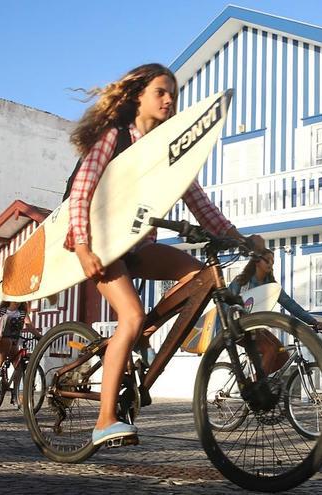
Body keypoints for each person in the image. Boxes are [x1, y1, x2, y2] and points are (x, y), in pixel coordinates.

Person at [65, 63, 263, 446]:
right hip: (101, 243)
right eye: (160, 91)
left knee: (197, 279)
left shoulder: (171, 151)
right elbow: (81, 190)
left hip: (137, 245)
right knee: (131, 314)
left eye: (172, 92)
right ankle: (105, 420)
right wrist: (83, 245)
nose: (169, 99)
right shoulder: (115, 136)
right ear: (138, 95)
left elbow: (201, 205)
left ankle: (141, 333)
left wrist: (241, 238)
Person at [228, 249, 322, 331]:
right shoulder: (241, 281)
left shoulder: (271, 286)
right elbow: (226, 305)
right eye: (267, 260)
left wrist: (312, 321)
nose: (270, 263)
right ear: (256, 261)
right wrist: (223, 333)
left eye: (272, 261)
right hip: (237, 328)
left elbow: (290, 304)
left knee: (278, 351)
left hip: (258, 328)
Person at [0, 300, 42, 403]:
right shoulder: (2, 311)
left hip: (14, 342)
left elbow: (29, 326)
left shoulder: (22, 312)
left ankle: (15, 392)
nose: (17, 301)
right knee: (7, 342)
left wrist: (39, 336)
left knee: (18, 367)